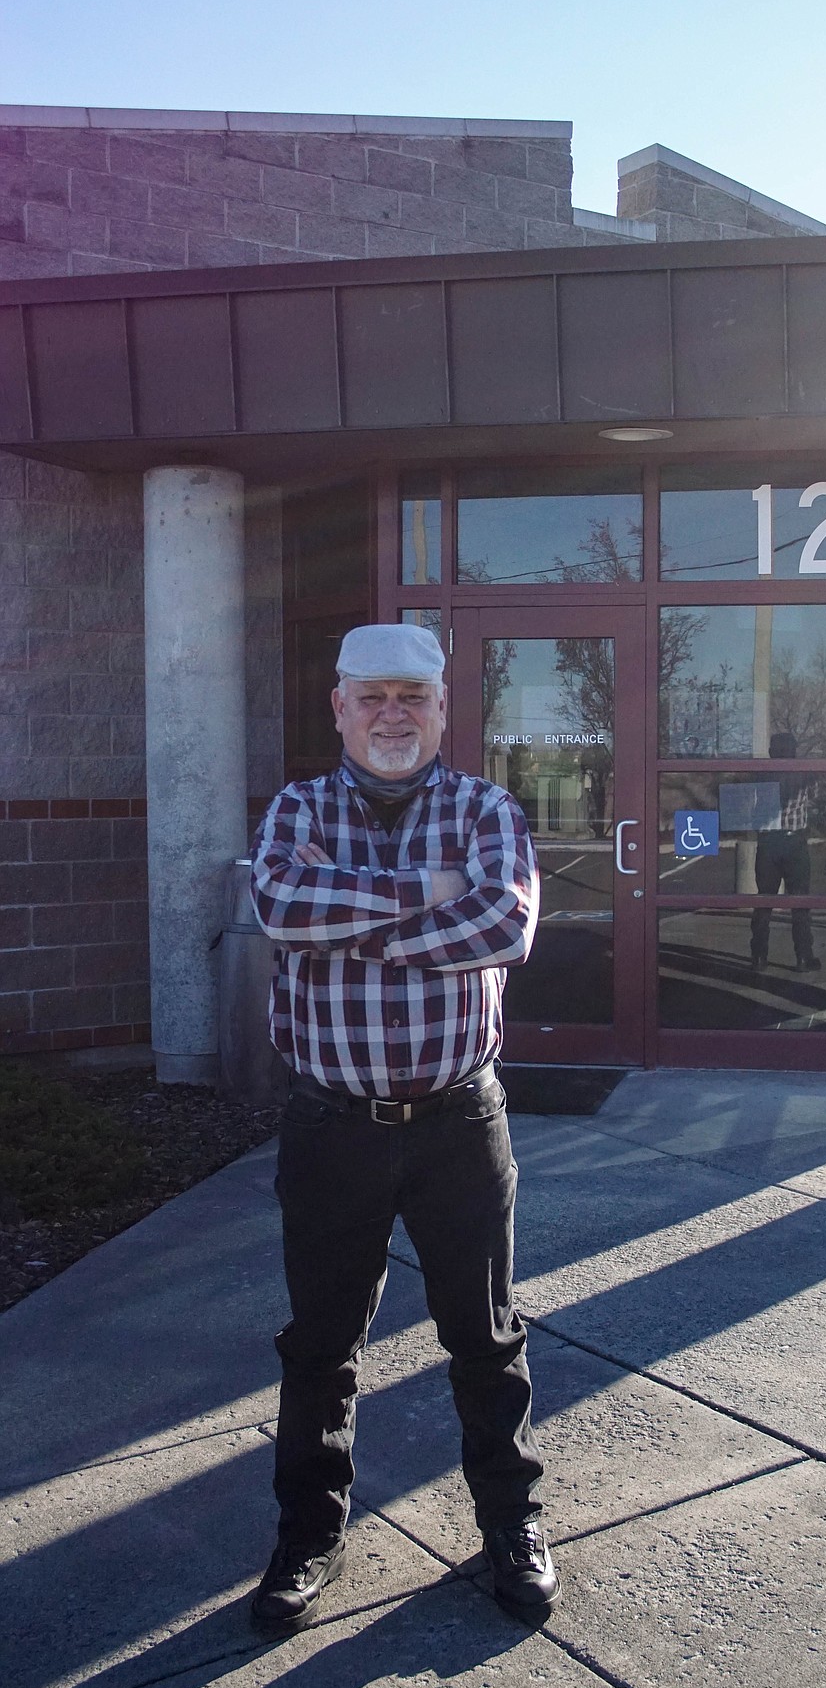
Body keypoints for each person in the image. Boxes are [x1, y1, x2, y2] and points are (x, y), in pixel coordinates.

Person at [248, 623, 558, 1632]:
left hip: (459, 1123)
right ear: (339, 706)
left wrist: (359, 922)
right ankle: (308, 1537)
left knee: (486, 1335)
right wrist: (427, 903)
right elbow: (282, 906)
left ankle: (511, 1525)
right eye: (371, 695)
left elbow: (504, 926)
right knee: (320, 1347)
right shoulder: (298, 808)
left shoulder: (487, 809)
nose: (392, 713)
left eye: (411, 696)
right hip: (330, 1126)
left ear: (440, 708)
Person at [749, 730, 821, 973]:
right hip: (795, 841)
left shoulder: (761, 774)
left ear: (771, 751)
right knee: (799, 901)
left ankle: (759, 956)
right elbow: (814, 796)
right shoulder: (803, 772)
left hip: (768, 841)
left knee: (764, 901)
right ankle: (803, 956)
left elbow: (750, 803)